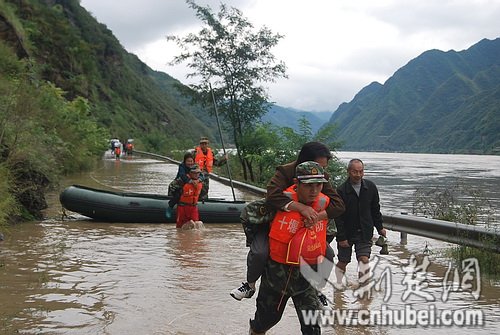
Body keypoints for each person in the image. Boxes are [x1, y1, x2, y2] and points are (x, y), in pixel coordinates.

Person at [231, 142, 345, 307]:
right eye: (320, 166)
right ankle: (249, 285)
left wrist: (317, 216)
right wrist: (300, 207)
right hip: (276, 223)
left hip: (307, 228)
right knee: (260, 252)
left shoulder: (320, 177)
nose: (322, 172)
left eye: (324, 168)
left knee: (327, 253)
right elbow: (272, 196)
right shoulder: (285, 171)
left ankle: (317, 290)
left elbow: (339, 205)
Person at [249, 161, 329, 335]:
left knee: (312, 327)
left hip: (307, 277)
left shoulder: (323, 206)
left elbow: (331, 232)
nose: (314, 190)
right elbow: (248, 215)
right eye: (308, 185)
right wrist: (256, 242)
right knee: (264, 322)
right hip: (276, 276)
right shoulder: (277, 204)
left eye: (318, 185)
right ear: (296, 183)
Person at [335, 158, 386, 285]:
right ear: (348, 172)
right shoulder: (341, 190)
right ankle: (338, 285)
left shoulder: (370, 187)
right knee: (343, 261)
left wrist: (380, 227)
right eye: (355, 172)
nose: (358, 175)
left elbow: (375, 209)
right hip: (347, 232)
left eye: (361, 171)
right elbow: (338, 217)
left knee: (364, 259)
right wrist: (341, 237)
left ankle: (364, 288)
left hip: (365, 231)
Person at [166, 152, 202, 218]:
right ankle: (170, 207)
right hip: (177, 185)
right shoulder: (182, 166)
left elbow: (202, 175)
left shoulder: (195, 166)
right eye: (188, 161)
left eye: (191, 161)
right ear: (184, 161)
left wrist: (198, 180)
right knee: (178, 196)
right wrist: (191, 181)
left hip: (189, 186)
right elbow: (182, 175)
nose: (190, 163)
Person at [176, 164, 203, 228]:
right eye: (194, 173)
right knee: (180, 227)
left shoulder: (200, 182)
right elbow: (173, 189)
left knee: (197, 224)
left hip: (193, 207)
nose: (196, 175)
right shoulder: (182, 181)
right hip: (183, 207)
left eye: (198, 173)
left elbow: (202, 195)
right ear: (190, 173)